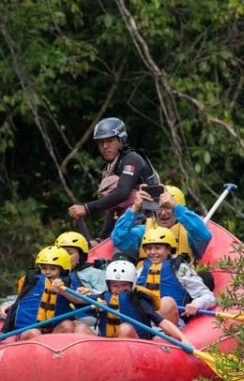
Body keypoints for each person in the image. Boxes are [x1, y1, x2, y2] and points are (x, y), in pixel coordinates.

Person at [67, 117, 160, 245]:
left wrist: (87, 208)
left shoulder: (132, 159)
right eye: (100, 142)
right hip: (127, 223)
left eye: (110, 141)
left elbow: (122, 193)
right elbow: (115, 208)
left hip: (149, 222)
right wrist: (101, 239)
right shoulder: (111, 166)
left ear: (121, 140)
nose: (105, 146)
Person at [59, 259, 189, 343]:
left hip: (136, 345)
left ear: (132, 284)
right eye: (115, 286)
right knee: (81, 328)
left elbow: (161, 321)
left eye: (124, 285)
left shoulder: (138, 299)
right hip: (105, 345)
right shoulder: (102, 298)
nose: (119, 289)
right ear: (109, 285)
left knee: (125, 328)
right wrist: (62, 291)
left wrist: (182, 337)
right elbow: (77, 299)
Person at [135, 226, 216, 325]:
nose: (152, 252)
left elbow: (208, 296)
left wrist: (196, 304)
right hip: (145, 323)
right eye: (149, 248)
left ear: (168, 250)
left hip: (173, 323)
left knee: (166, 302)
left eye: (157, 248)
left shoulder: (180, 270)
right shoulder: (140, 272)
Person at [111, 184, 213, 262]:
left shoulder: (189, 234)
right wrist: (134, 209)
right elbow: (118, 238)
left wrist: (176, 207)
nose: (163, 213)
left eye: (168, 207)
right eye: (159, 207)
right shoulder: (142, 231)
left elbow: (204, 235)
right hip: (146, 282)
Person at [0, 246, 80, 339]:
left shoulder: (66, 284)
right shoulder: (32, 282)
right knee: (34, 332)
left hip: (52, 332)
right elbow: (18, 304)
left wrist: (63, 291)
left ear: (62, 270)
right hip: (28, 330)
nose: (47, 272)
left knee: (68, 325)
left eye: (53, 269)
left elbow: (77, 301)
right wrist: (3, 332)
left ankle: (54, 346)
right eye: (44, 268)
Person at [55, 230, 106, 331]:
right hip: (59, 319)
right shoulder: (52, 275)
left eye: (69, 253)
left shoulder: (95, 273)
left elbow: (104, 298)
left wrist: (89, 292)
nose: (65, 257)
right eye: (61, 253)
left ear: (81, 256)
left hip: (87, 319)